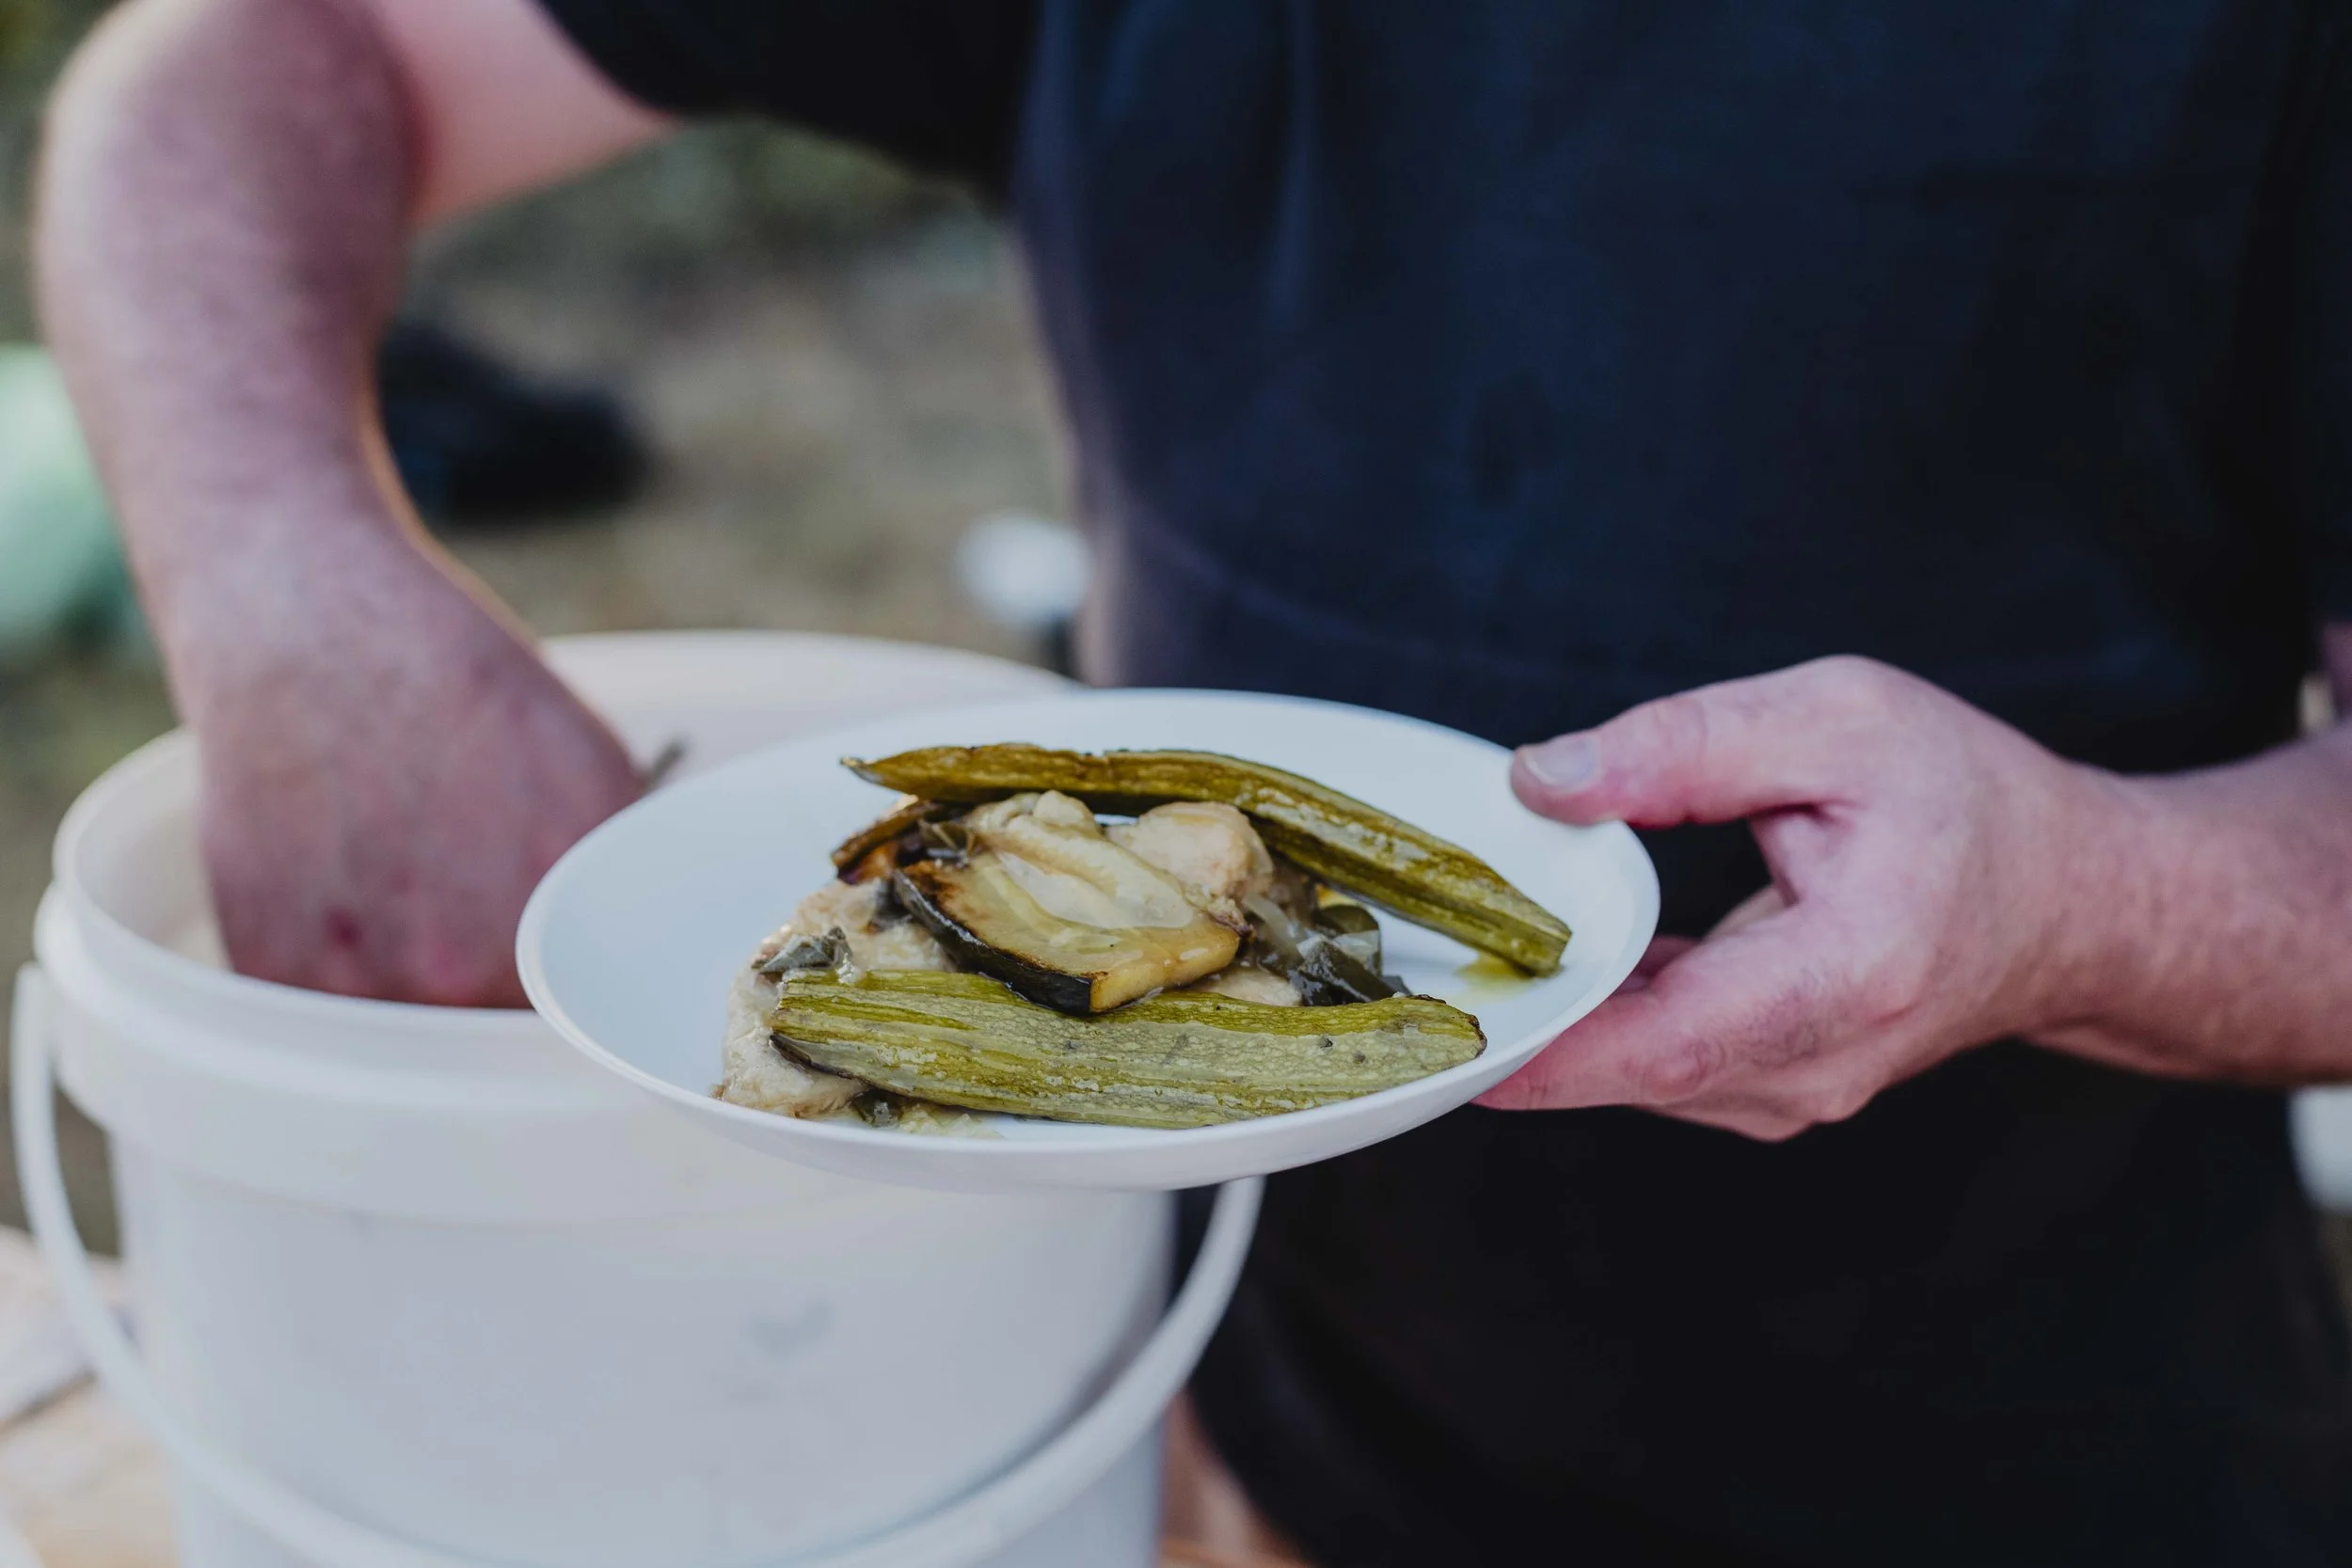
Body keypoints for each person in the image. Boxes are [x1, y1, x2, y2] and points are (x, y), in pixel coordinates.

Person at [33, 2, 2352, 1562]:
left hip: (2035, 1471)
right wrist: (287, 583)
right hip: (1223, 1433)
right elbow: (256, 51)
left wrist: (2074, 892)